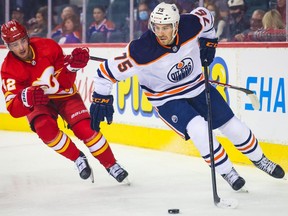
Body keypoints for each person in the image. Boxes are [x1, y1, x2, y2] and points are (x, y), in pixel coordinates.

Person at [89, 2, 285, 191]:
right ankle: (228, 171)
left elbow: (206, 15)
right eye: (156, 27)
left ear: (176, 25)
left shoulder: (190, 24)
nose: (160, 32)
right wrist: (101, 98)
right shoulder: (140, 49)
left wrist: (210, 40)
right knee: (198, 128)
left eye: (166, 27)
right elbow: (104, 74)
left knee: (233, 126)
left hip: (197, 86)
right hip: (166, 98)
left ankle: (260, 159)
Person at [0, 20, 128, 183]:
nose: (21, 48)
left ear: (27, 37)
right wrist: (25, 98)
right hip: (37, 101)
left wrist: (72, 68)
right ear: (8, 47)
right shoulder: (8, 69)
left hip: (63, 94)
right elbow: (13, 109)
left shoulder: (48, 46)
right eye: (15, 44)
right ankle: (77, 158)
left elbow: (65, 82)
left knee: (86, 129)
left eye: (23, 41)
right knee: (44, 128)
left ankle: (111, 165)